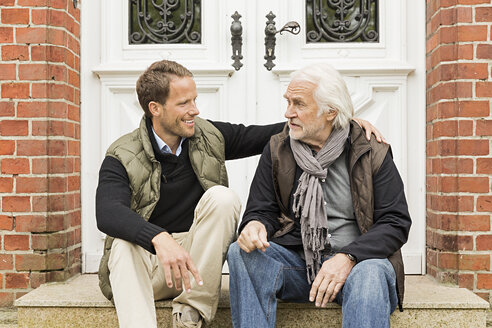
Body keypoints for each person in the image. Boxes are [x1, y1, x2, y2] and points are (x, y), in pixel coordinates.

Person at [95, 59, 383, 328]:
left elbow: (270, 133)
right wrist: (158, 239)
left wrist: (342, 122)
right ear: (155, 108)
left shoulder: (207, 136)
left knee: (222, 198)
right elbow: (107, 212)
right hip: (148, 267)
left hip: (192, 269)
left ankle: (191, 312)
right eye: (184, 103)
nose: (194, 109)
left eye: (195, 99)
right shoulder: (123, 154)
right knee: (123, 244)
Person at [227, 63, 412, 328]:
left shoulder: (370, 150)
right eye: (288, 102)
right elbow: (262, 210)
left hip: (360, 267)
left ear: (330, 112)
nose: (288, 112)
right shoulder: (279, 148)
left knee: (370, 274)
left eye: (298, 104)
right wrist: (254, 225)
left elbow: (395, 222)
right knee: (241, 253)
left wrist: (348, 257)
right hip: (301, 267)